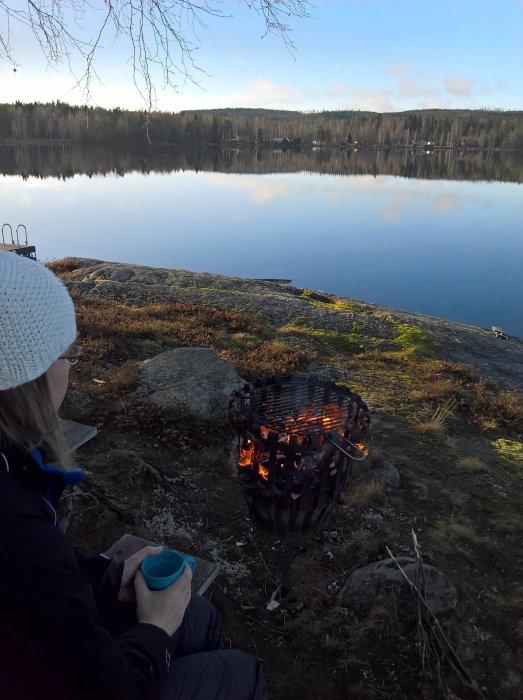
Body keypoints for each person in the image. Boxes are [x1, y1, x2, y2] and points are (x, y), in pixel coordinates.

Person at [0, 252, 267, 700]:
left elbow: (38, 580)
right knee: (239, 672)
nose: (73, 368)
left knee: (198, 616)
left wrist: (109, 577)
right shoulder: (12, 521)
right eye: (69, 354)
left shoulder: (15, 470)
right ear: (29, 374)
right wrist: (157, 629)